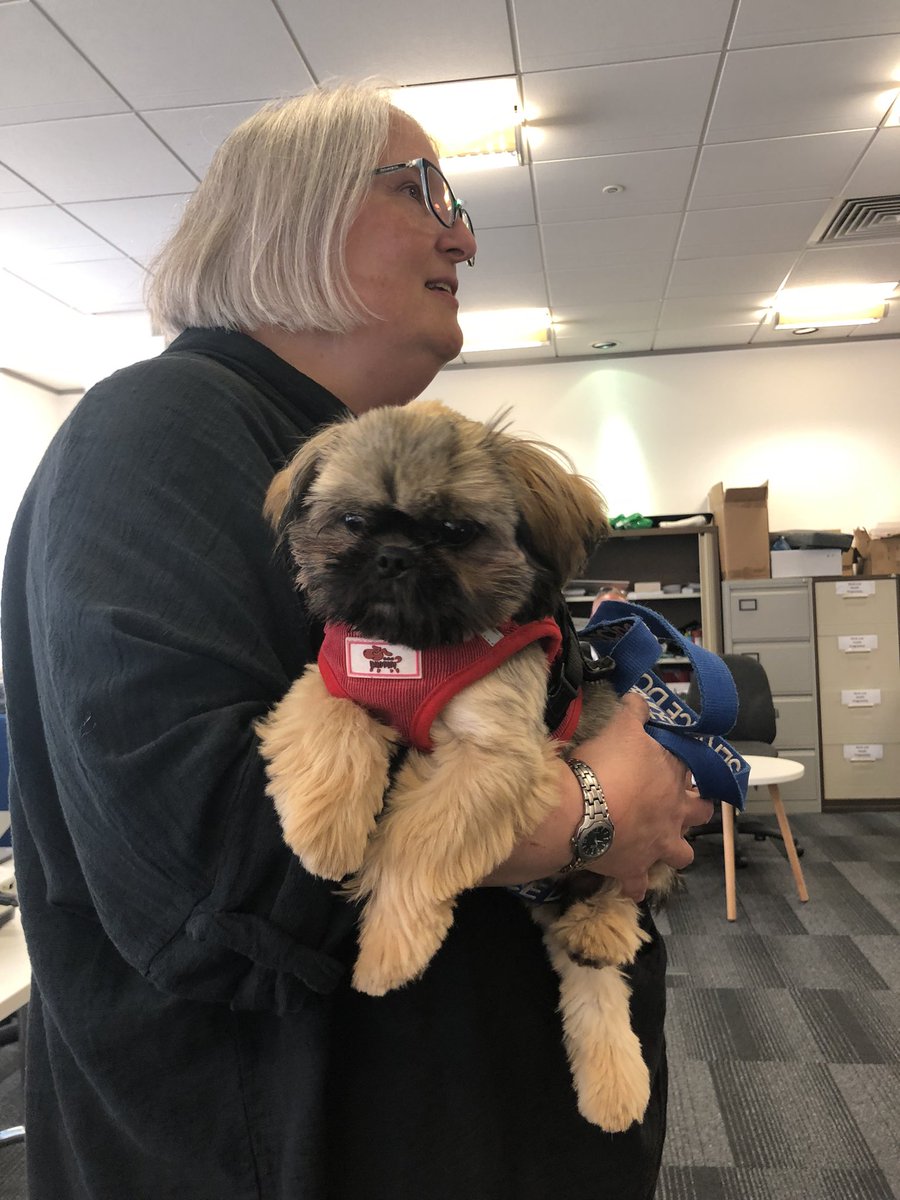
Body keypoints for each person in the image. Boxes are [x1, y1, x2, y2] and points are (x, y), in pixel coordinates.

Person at [1, 83, 712, 1200]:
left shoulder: (354, 445)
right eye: (421, 190)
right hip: (297, 1141)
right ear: (288, 214)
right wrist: (590, 810)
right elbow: (213, 867)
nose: (462, 236)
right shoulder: (158, 429)